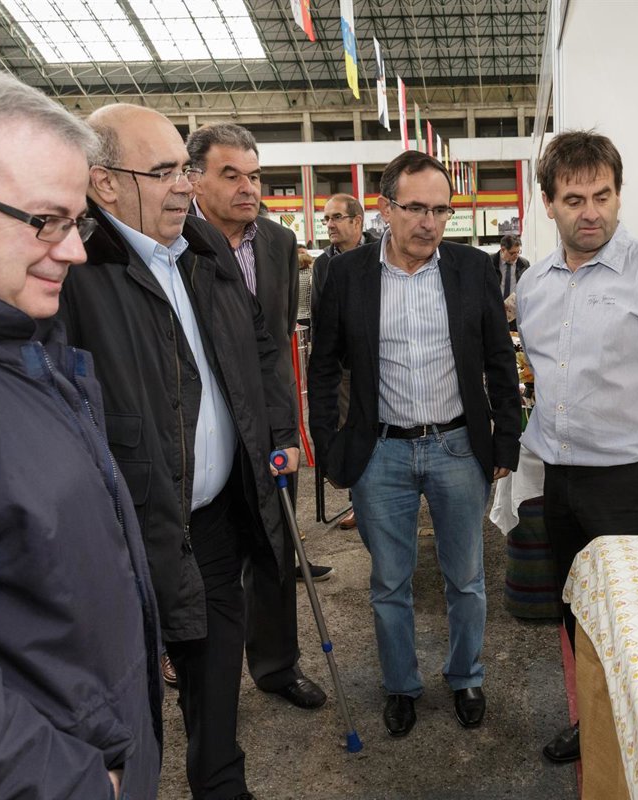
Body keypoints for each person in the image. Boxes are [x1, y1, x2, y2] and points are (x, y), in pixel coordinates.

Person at [0, 68, 160, 799]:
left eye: (77, 222)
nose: (76, 250)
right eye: (44, 221)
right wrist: (86, 785)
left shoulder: (11, 340)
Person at [57, 103, 301, 800]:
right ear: (104, 183)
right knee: (128, 708)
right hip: (129, 533)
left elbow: (258, 347)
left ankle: (222, 787)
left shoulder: (203, 246)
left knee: (217, 686)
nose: (184, 186)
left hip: (216, 520)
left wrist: (277, 433)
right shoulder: (75, 267)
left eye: (184, 170)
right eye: (163, 172)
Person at [516, 130, 638, 764]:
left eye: (602, 196)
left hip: (633, 482)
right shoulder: (535, 285)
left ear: (619, 195)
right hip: (561, 481)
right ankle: (596, 727)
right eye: (574, 199)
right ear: (548, 203)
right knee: (578, 612)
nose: (591, 213)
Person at [308, 151, 522, 738]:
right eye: (417, 209)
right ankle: (401, 685)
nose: (430, 223)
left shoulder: (471, 269)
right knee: (390, 582)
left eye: (442, 210)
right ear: (386, 208)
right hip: (380, 453)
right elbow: (323, 369)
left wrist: (506, 439)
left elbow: (500, 360)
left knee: (466, 578)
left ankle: (466, 676)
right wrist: (328, 447)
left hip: (458, 448)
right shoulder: (347, 276)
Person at [187, 122, 330, 714]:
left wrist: (286, 430)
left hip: (267, 424)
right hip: (201, 428)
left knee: (275, 548)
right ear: (194, 180)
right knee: (204, 559)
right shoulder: (175, 241)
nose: (248, 188)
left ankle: (276, 665)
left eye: (255, 176)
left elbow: (277, 343)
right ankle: (200, 672)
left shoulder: (277, 241)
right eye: (231, 175)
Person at [310, 192, 378, 531]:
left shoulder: (381, 253)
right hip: (347, 369)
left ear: (357, 221)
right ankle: (360, 502)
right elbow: (320, 317)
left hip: (383, 363)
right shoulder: (323, 263)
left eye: (336, 217)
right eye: (326, 219)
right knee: (353, 433)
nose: (329, 225)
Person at [491, 233, 529, 330]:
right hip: (494, 314)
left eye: (518, 252)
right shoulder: (490, 263)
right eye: (512, 253)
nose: (516, 256)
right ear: (503, 249)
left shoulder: (524, 264)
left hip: (515, 316)